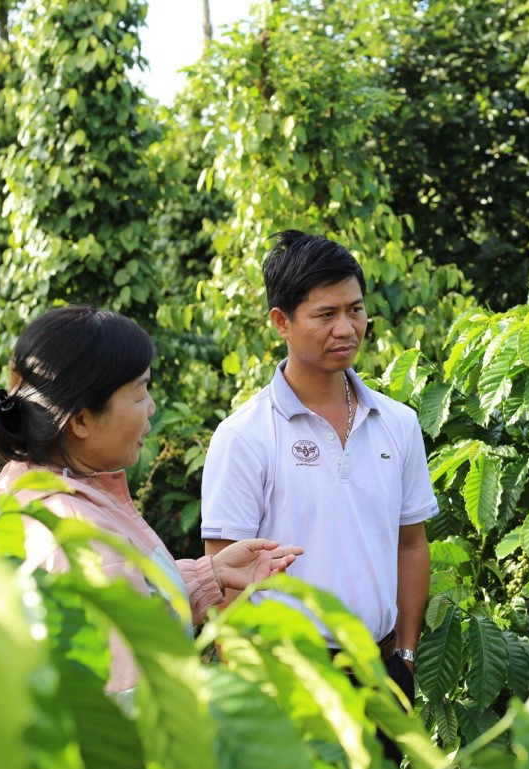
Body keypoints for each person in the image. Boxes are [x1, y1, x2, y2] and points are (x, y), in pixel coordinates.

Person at [0, 305, 303, 699]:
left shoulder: (31, 483)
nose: (151, 408)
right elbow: (134, 712)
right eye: (139, 394)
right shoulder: (84, 540)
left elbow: (133, 599)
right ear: (80, 420)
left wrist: (209, 576)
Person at [200, 231, 439, 718]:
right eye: (326, 315)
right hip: (286, 681)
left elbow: (411, 543)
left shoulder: (398, 423)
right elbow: (225, 578)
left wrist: (406, 658)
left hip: (381, 673)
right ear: (281, 322)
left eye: (355, 309)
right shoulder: (244, 435)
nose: (347, 328)